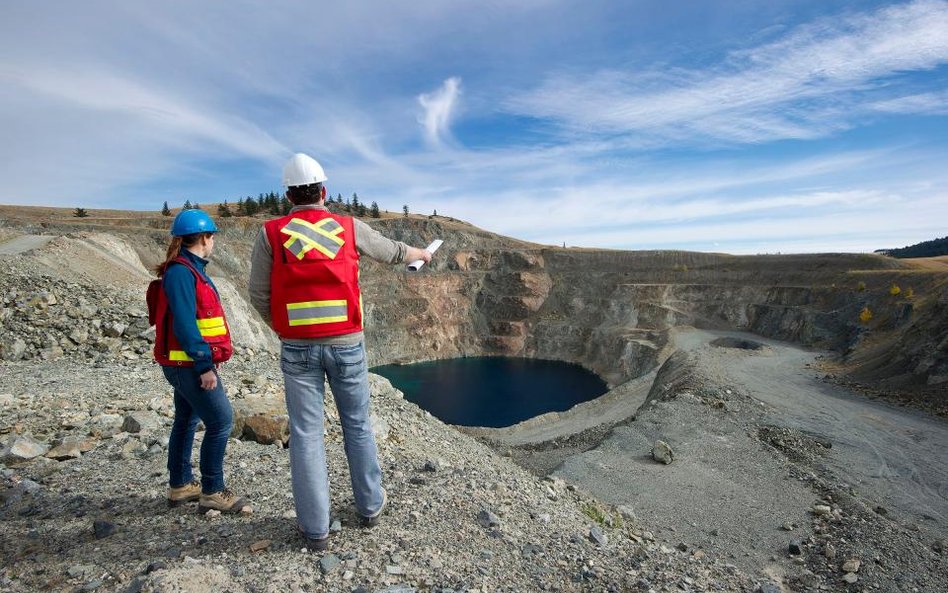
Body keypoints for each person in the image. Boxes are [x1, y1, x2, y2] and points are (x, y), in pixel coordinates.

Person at [249, 153, 431, 550]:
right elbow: (392, 252)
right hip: (347, 344)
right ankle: (369, 507)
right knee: (358, 425)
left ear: (288, 195)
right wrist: (422, 254)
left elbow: (258, 294)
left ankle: (315, 530)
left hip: (297, 348)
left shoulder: (271, 233)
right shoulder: (348, 227)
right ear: (323, 191)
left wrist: (283, 328)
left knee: (306, 435)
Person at [153, 209, 249, 513]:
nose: (214, 242)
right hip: (189, 365)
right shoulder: (183, 272)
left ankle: (180, 485)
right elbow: (184, 323)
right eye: (212, 237)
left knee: (186, 419)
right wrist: (204, 365)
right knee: (221, 421)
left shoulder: (188, 269)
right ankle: (212, 490)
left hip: (182, 364)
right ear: (205, 238)